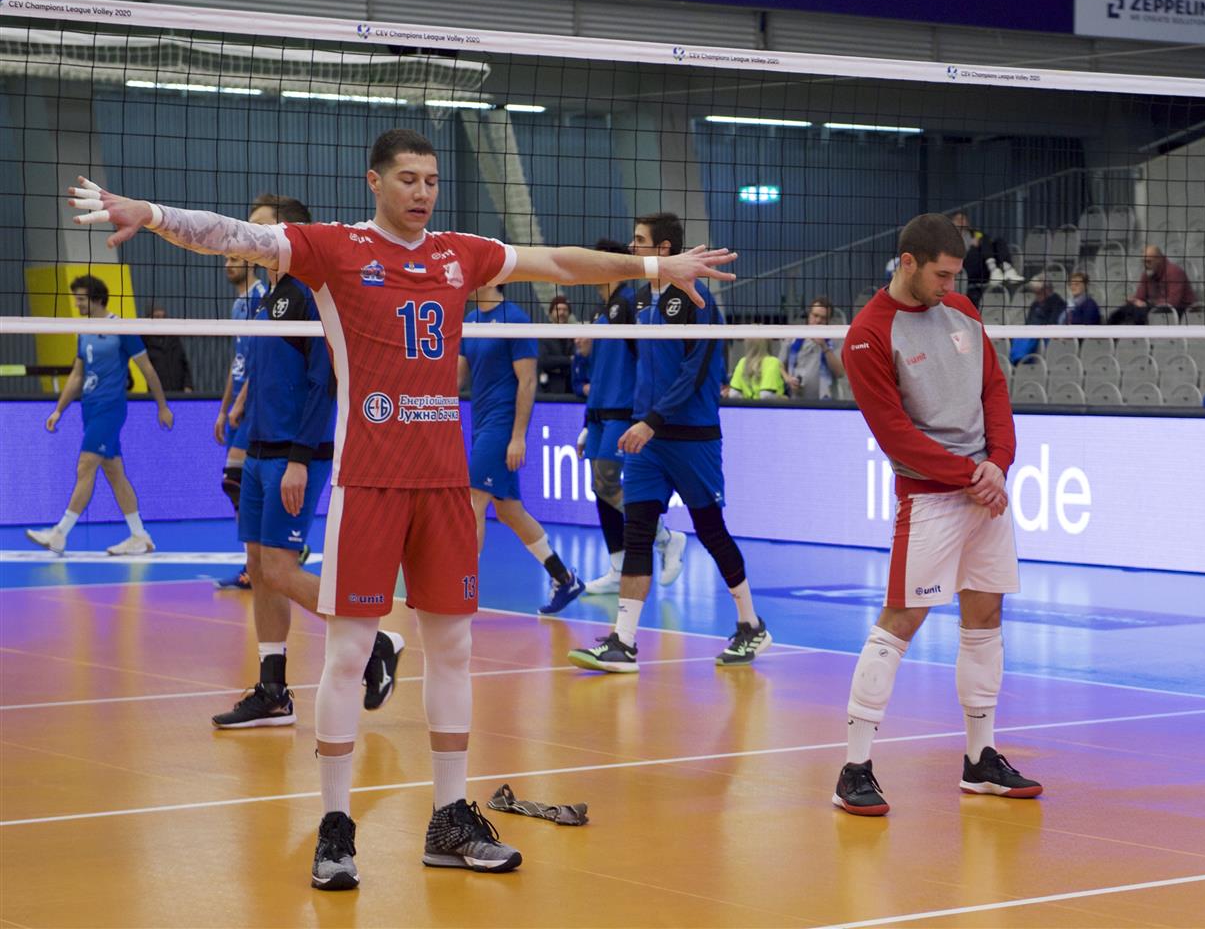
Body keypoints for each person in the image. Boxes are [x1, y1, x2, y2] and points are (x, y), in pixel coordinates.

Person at [68, 128, 734, 890]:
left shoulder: (459, 253)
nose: (422, 192)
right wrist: (151, 213)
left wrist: (656, 266)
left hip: (445, 483)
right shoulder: (334, 248)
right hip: (370, 483)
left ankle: (449, 820)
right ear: (375, 181)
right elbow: (232, 235)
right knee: (349, 653)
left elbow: (557, 263)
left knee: (452, 652)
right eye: (408, 178)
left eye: (431, 180)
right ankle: (335, 828)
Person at [836, 212, 1041, 817]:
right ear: (908, 263)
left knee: (985, 616)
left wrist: (998, 462)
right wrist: (971, 475)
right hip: (929, 499)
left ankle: (980, 760)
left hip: (984, 491)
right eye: (942, 275)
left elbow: (994, 390)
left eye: (956, 276)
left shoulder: (964, 311)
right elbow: (895, 435)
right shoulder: (868, 335)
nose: (951, 286)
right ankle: (853, 769)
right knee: (899, 621)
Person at [211, 193, 404, 730]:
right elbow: (264, 372)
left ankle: (377, 642)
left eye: (260, 228)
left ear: (290, 234)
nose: (249, 236)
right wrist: (240, 412)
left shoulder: (311, 294)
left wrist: (299, 460)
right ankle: (273, 690)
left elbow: (324, 383)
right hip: (258, 447)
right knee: (258, 566)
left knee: (279, 566)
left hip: (296, 453)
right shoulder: (262, 298)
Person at [568, 211, 766, 672]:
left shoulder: (697, 298)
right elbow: (637, 369)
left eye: (639, 240)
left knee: (711, 531)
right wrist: (611, 420)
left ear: (663, 249)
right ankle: (623, 641)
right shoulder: (639, 300)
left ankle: (751, 624)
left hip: (691, 437)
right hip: (648, 437)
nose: (631, 247)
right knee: (637, 530)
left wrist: (651, 422)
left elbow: (694, 373)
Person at [459, 283, 585, 615]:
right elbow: (456, 379)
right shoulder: (470, 320)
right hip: (480, 423)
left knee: (474, 499)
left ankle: (462, 590)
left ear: (491, 278)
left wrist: (518, 436)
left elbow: (528, 382)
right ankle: (565, 578)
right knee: (509, 511)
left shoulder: (515, 319)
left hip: (502, 425)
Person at [26, 274, 174, 556]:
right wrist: (58, 410)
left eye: (81, 299)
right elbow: (77, 375)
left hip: (110, 408)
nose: (77, 304)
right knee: (115, 472)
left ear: (96, 299)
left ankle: (60, 533)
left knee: (85, 466)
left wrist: (162, 406)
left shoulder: (121, 329)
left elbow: (147, 369)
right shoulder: (85, 330)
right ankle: (139, 536)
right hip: (90, 409)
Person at [573, 237, 686, 596]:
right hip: (598, 412)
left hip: (623, 411)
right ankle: (617, 566)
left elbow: (646, 360)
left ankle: (666, 538)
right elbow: (599, 370)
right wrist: (586, 424)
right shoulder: (600, 311)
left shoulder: (628, 305)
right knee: (599, 487)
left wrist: (647, 414)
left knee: (608, 480)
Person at [214, 254, 269, 590]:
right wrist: (223, 409)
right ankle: (261, 559)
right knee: (241, 486)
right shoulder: (238, 304)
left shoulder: (261, 297)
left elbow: (262, 359)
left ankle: (262, 560)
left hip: (255, 404)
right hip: (238, 406)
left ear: (252, 262)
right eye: (226, 258)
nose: (228, 264)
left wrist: (241, 402)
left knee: (235, 481)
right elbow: (237, 362)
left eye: (235, 258)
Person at [951, 211, 1022, 304]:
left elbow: (987, 241)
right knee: (977, 247)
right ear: (952, 222)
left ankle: (1007, 269)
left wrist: (980, 241)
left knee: (997, 241)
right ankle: (995, 269)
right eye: (958, 219)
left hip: (984, 267)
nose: (961, 221)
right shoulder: (950, 237)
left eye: (963, 219)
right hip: (967, 268)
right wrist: (971, 245)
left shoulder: (974, 233)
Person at [782, 297, 843, 400]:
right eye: (815, 315)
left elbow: (840, 373)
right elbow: (780, 365)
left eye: (823, 318)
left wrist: (824, 346)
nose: (818, 320)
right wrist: (788, 379)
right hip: (797, 400)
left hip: (826, 402)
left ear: (829, 320)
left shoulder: (836, 339)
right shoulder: (793, 336)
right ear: (809, 315)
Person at [142, 306, 193, 393]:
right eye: (157, 317)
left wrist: (188, 385)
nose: (161, 320)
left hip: (178, 393)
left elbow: (184, 364)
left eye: (163, 317)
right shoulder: (143, 341)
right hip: (153, 394)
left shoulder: (173, 339)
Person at [1132, 245, 1195, 313]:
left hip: (1181, 311)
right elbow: (1140, 297)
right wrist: (1134, 301)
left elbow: (1173, 302)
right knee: (1127, 309)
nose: (1145, 265)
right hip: (1156, 308)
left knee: (1140, 312)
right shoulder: (1147, 273)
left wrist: (1149, 303)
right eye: (1143, 262)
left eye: (1149, 261)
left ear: (1159, 260)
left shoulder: (1174, 272)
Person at [536, 295, 576, 394]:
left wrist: (556, 364)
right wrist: (568, 360)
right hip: (549, 390)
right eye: (558, 309)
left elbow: (578, 359)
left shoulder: (575, 334)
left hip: (572, 389)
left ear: (569, 313)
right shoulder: (543, 334)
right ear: (551, 313)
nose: (561, 312)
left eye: (565, 310)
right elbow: (543, 361)